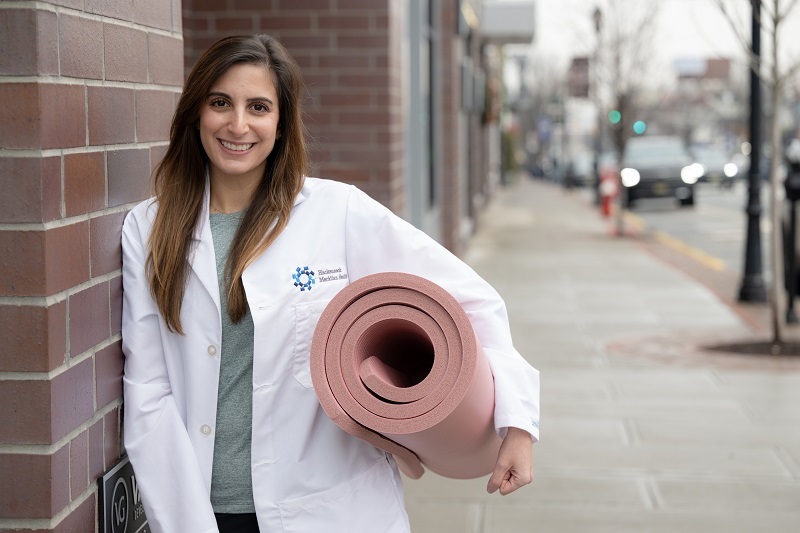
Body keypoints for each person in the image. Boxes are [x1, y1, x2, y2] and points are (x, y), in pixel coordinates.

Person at [121, 34, 540, 533]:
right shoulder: (148, 229)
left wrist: (516, 421)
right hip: (202, 511)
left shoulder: (336, 212)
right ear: (196, 113)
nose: (238, 125)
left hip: (332, 510)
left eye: (258, 107)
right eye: (220, 103)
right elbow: (147, 392)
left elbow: (471, 301)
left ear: (280, 125)